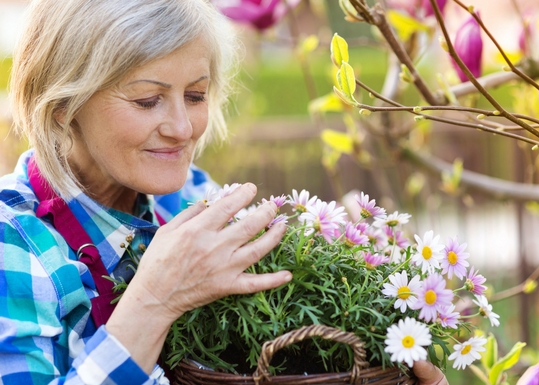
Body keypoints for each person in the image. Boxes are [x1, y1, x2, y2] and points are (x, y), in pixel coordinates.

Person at [0, 0, 449, 384]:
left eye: (195, 95)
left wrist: (354, 269)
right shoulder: (13, 243)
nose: (181, 128)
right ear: (61, 108)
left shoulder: (190, 196)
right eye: (146, 100)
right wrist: (154, 301)